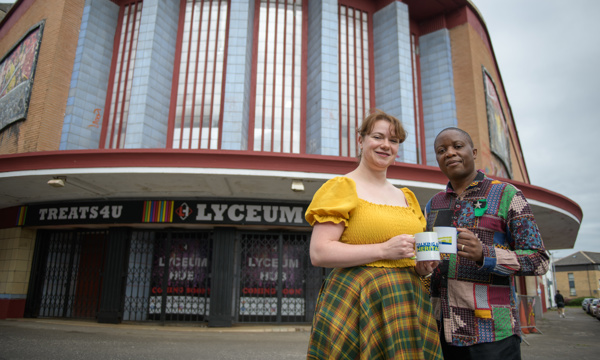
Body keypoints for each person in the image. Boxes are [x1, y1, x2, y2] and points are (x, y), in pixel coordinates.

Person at [305, 109, 442, 359]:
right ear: (361, 141)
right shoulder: (341, 187)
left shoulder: (407, 197)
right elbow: (319, 252)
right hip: (357, 302)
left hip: (407, 304)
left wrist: (423, 267)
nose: (385, 145)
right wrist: (382, 250)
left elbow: (411, 257)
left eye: (394, 140)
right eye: (378, 137)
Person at [424, 127, 549, 360]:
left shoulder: (507, 195)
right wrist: (423, 267)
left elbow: (539, 261)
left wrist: (486, 255)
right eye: (442, 150)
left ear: (473, 152)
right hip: (441, 330)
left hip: (492, 332)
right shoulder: (434, 204)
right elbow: (431, 263)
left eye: (457, 146)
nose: (449, 153)